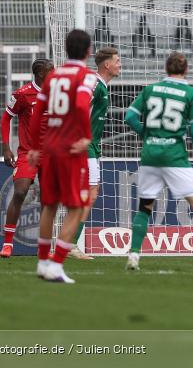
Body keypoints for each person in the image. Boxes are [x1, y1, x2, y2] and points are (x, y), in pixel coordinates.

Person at [124, 52, 193, 271]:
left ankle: (134, 255)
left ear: (166, 69)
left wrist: (147, 135)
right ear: (186, 70)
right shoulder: (191, 93)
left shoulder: (150, 89)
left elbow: (129, 117)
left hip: (149, 156)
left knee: (145, 207)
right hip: (174, 157)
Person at [26, 30, 96, 283]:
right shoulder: (85, 76)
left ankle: (43, 262)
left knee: (50, 204)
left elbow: (37, 114)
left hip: (49, 148)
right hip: (70, 149)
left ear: (66, 49)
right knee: (78, 206)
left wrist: (34, 147)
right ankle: (56, 265)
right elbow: (79, 105)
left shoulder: (53, 76)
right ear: (88, 51)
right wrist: (86, 136)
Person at [68, 46, 121, 260]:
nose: (120, 64)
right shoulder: (95, 85)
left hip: (91, 146)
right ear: (107, 65)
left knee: (87, 194)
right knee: (90, 193)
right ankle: (70, 245)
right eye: (117, 61)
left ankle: (68, 244)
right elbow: (78, 107)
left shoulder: (101, 86)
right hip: (85, 147)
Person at [0, 58, 54, 259]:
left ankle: (44, 247)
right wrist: (6, 147)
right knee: (20, 192)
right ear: (40, 74)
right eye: (51, 71)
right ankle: (7, 244)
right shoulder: (22, 94)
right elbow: (6, 118)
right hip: (28, 153)